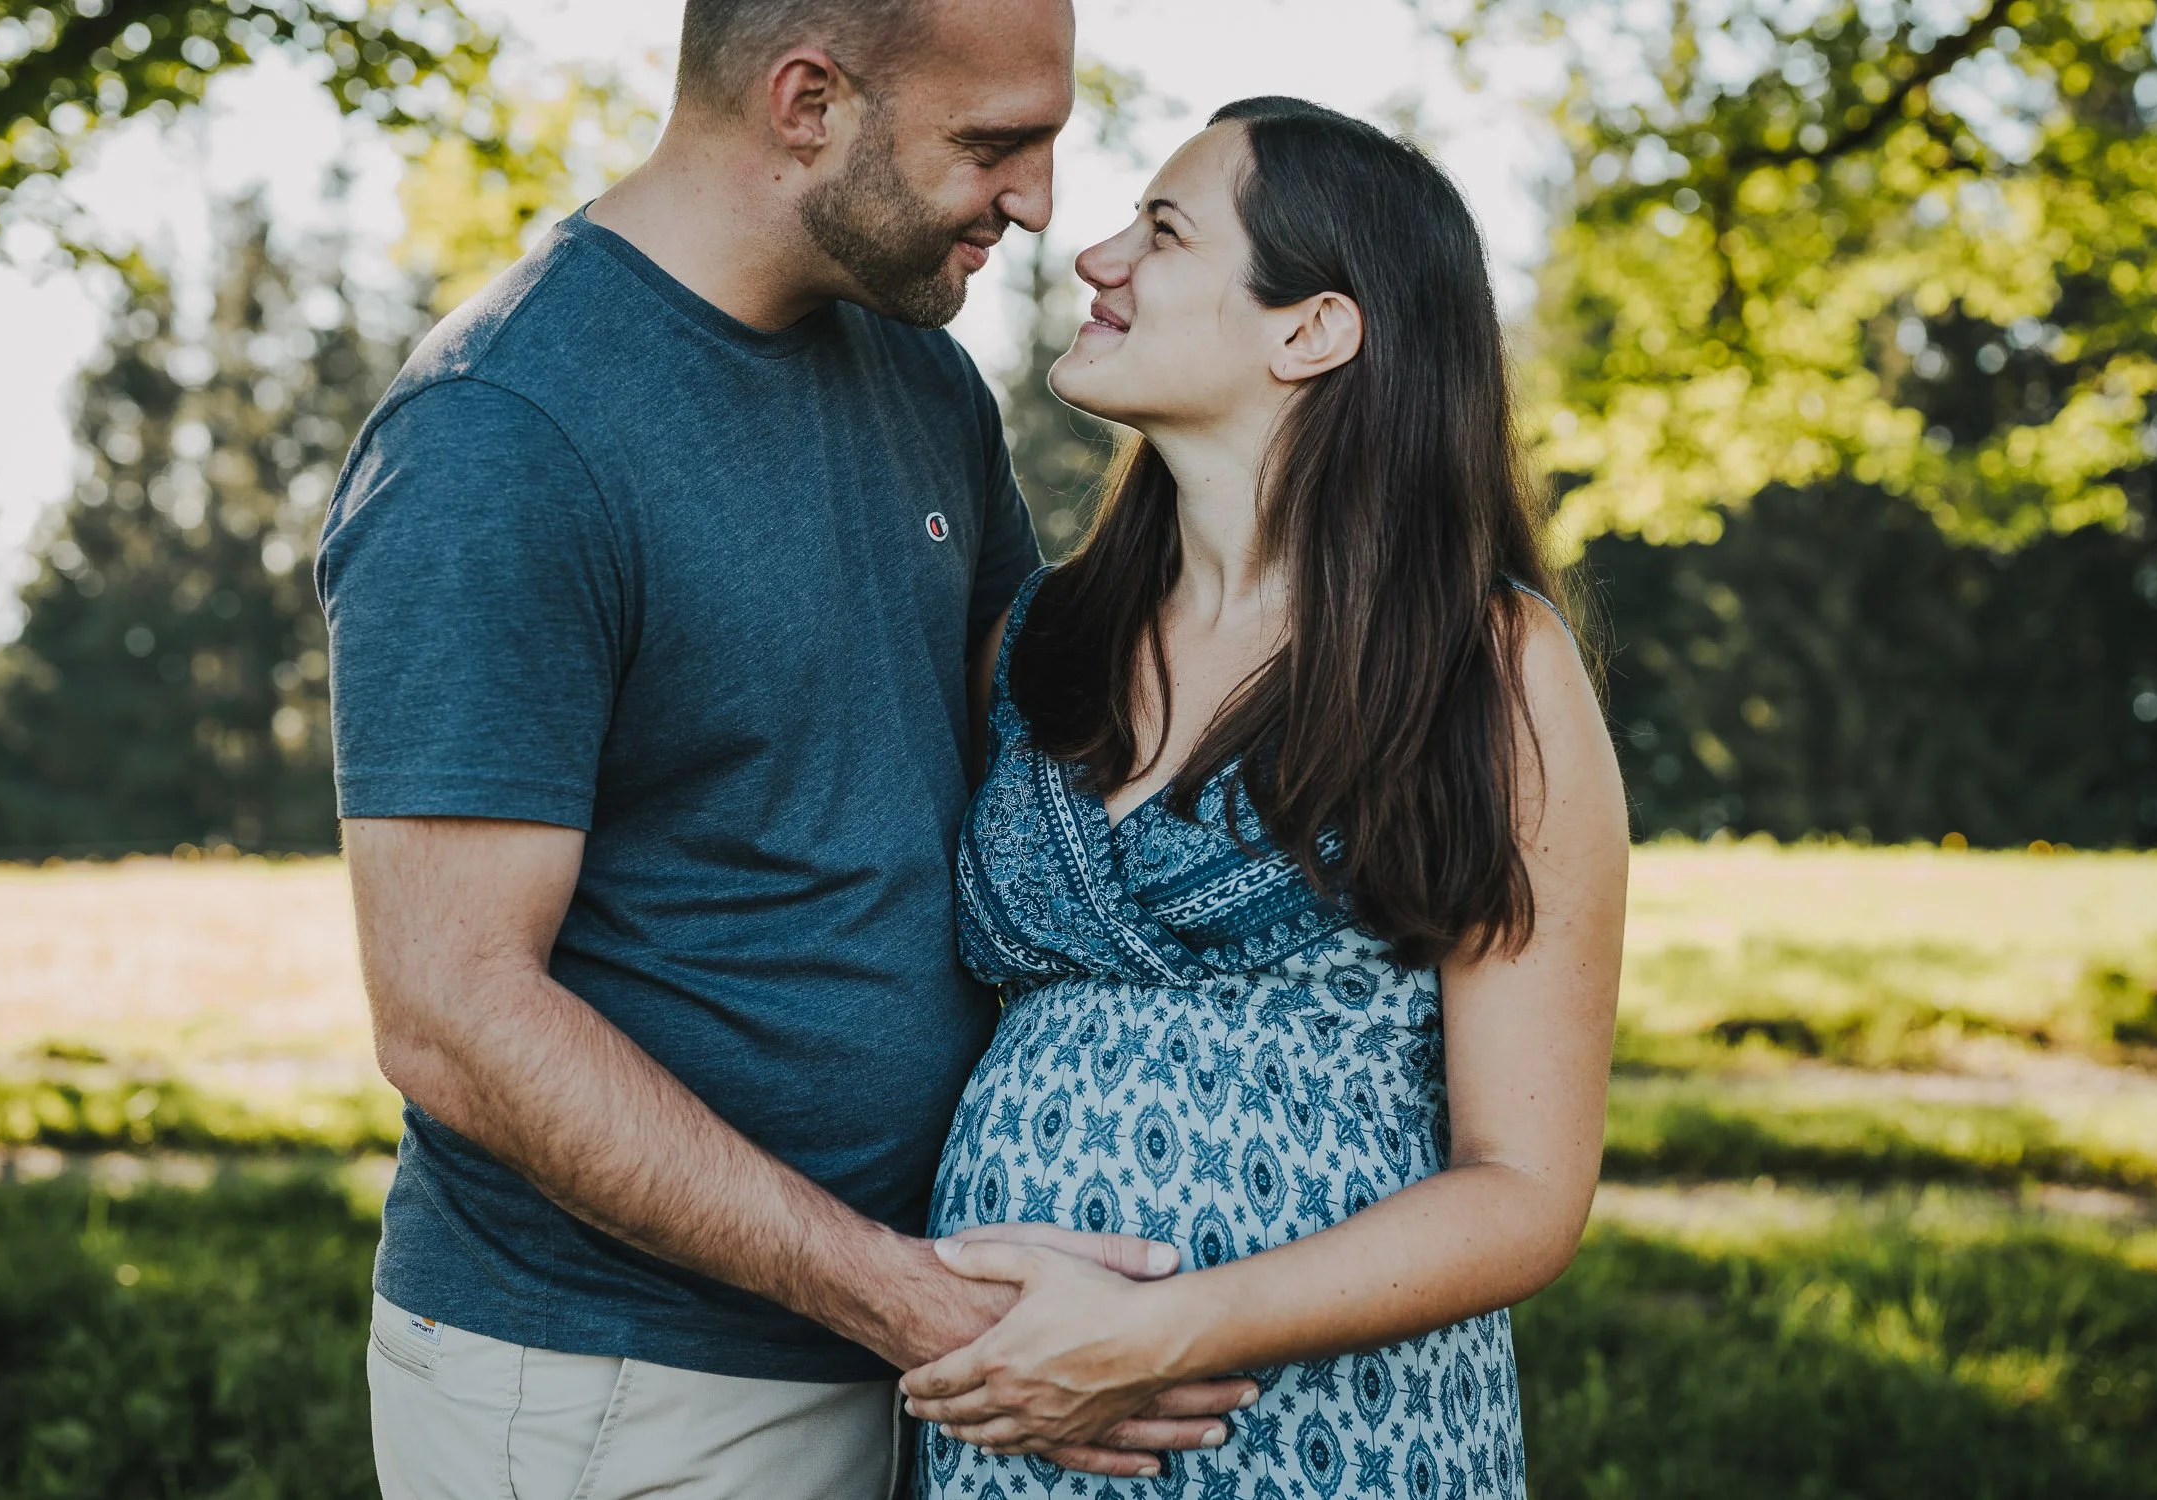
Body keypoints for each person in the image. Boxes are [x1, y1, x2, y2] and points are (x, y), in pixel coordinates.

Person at [316, 2, 1254, 1496]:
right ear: (806, 100)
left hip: (916, 1348)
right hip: (620, 1386)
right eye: (992, 143)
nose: (1037, 203)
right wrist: (894, 1297)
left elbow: (1051, 752)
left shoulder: (916, 375)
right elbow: (449, 1015)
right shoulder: (498, 437)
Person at [898, 97, 1629, 1498]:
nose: (1093, 255)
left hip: (1328, 1432)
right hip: (1022, 1428)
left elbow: (1524, 1191)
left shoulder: (1484, 668)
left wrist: (1162, 1331)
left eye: (1161, 231)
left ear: (1313, 329)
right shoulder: (1039, 639)